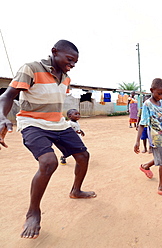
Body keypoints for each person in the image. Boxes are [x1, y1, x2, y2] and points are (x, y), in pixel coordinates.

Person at [0, 40, 96, 239]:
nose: (72, 64)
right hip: (32, 123)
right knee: (48, 162)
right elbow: (7, 95)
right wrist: (1, 117)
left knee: (83, 156)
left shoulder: (66, 78)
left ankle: (76, 190)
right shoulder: (31, 68)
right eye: (69, 59)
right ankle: (33, 212)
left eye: (75, 62)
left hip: (58, 123)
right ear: (54, 52)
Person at [134, 78, 162, 197]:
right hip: (155, 137)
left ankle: (145, 166)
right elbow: (142, 123)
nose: (161, 96)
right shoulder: (147, 104)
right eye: (159, 93)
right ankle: (161, 187)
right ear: (152, 90)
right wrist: (137, 141)